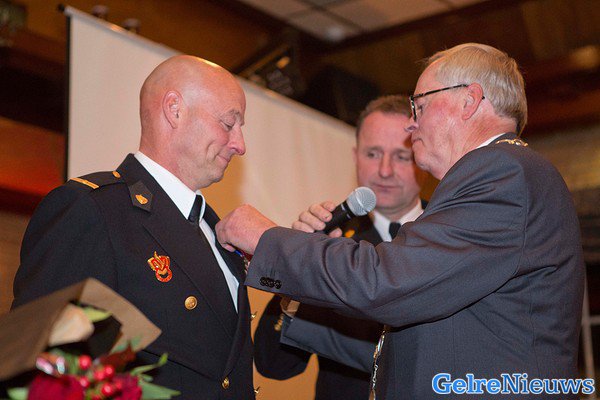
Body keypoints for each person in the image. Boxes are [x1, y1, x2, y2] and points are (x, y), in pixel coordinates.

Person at [216, 43, 585, 399]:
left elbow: (387, 282)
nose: (412, 124)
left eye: (419, 105)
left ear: (469, 100)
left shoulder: (501, 171)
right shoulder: (505, 174)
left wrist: (268, 238)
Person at [12, 55, 255, 399]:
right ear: (174, 109)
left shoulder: (216, 231)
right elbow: (41, 370)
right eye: (229, 123)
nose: (240, 145)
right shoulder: (93, 209)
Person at [253, 95, 427, 400]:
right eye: (373, 153)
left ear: (424, 157)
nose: (385, 170)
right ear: (355, 156)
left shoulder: (451, 234)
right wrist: (298, 269)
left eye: (402, 156)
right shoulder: (332, 240)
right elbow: (274, 365)